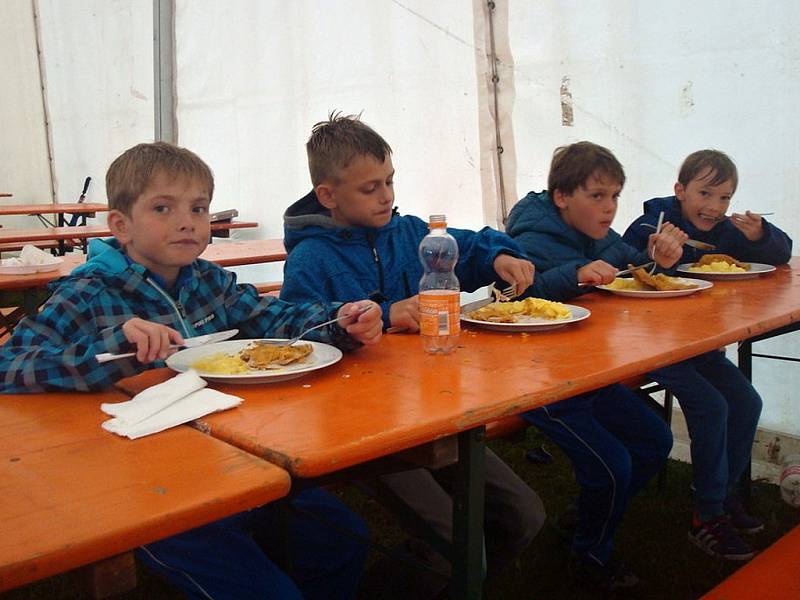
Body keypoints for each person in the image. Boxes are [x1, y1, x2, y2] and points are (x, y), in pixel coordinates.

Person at [0, 142, 384, 600]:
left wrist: (340, 320)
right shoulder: (86, 293)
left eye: (199, 208)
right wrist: (110, 351)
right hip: (142, 492)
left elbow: (274, 321)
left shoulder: (207, 281)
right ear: (121, 225)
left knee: (344, 540)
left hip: (237, 462)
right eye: (163, 208)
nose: (187, 221)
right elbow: (10, 364)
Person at [280, 112, 546, 593]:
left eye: (390, 181)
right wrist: (380, 315)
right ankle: (434, 573)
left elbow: (466, 243)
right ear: (328, 195)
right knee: (458, 544)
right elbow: (297, 331)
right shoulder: (310, 259)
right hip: (357, 427)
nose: (386, 195)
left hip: (428, 408)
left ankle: (453, 575)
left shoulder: (408, 235)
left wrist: (500, 254)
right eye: (370, 188)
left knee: (525, 515)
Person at [506, 141, 678, 591]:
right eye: (598, 195)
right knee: (613, 465)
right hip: (536, 382)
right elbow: (521, 294)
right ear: (562, 196)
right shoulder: (532, 236)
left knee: (656, 439)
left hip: (585, 371)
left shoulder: (593, 230)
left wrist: (654, 260)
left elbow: (619, 265)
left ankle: (583, 519)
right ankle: (590, 554)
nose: (609, 207)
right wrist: (577, 274)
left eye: (616, 196)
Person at [621, 149, 793, 561]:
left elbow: (779, 254)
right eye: (705, 194)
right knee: (712, 407)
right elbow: (624, 269)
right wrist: (656, 257)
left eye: (725, 198)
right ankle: (707, 516)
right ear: (680, 191)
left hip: (697, 343)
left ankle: (719, 492)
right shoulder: (653, 223)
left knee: (746, 401)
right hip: (651, 345)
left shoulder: (725, 230)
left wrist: (759, 236)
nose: (714, 207)